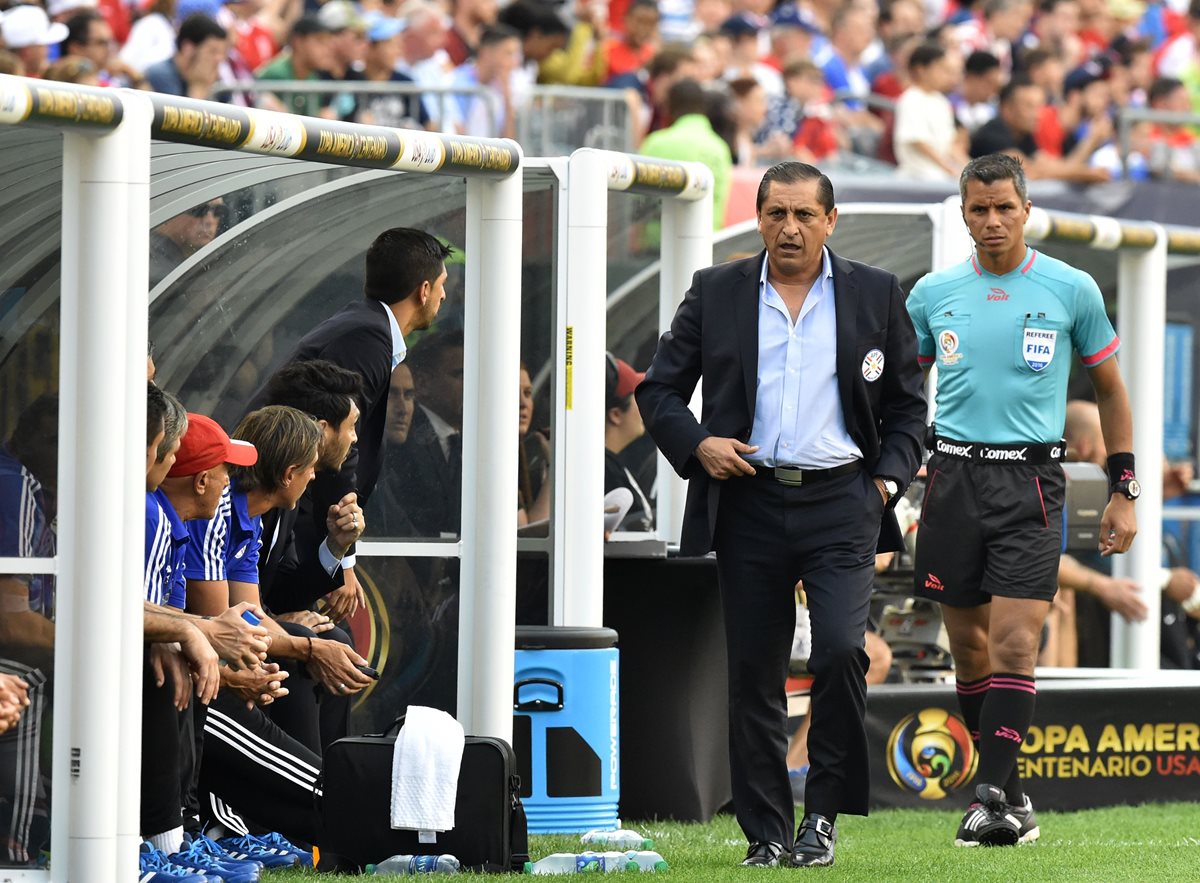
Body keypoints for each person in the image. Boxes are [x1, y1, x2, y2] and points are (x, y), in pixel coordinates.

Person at [637, 161, 926, 868]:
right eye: (776, 214)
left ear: (831, 220)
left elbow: (909, 409)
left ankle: (821, 816)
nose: (789, 228)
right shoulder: (716, 290)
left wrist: (884, 486)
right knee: (756, 671)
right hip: (750, 499)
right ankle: (766, 830)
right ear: (759, 218)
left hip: (843, 500)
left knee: (840, 648)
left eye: (804, 214)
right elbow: (659, 391)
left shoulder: (877, 292)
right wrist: (699, 443)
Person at [906, 153, 1137, 847]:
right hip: (951, 479)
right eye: (979, 209)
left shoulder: (1072, 288)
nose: (993, 220)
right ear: (963, 213)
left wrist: (1125, 489)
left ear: (1026, 209)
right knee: (970, 651)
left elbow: (1112, 392)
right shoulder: (931, 293)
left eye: (1005, 206)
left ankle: (986, 803)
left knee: (1014, 643)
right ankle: (1009, 793)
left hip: (1033, 484)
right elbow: (898, 393)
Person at [253, 228, 450, 615]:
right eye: (442, 284)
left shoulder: (366, 327)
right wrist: (344, 562)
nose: (445, 295)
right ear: (423, 290)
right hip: (286, 506)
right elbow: (341, 447)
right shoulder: (368, 338)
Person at [639, 77, 733, 229]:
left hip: (658, 242)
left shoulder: (655, 143)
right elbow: (721, 200)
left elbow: (639, 201)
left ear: (669, 106)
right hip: (709, 241)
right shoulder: (719, 147)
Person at [893, 42, 969, 180]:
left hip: (941, 172)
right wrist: (948, 168)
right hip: (918, 175)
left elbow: (950, 145)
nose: (946, 76)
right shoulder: (910, 99)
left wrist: (970, 168)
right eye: (941, 69)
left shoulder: (941, 101)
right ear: (921, 69)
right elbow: (919, 142)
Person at [604, 354, 652, 531]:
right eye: (636, 397)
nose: (643, 405)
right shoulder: (606, 471)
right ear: (616, 415)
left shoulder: (610, 465)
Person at [144, 13, 228, 98]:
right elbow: (176, 110)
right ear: (188, 48)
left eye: (222, 53)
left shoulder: (217, 82)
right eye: (212, 51)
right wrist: (199, 87)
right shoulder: (160, 75)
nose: (219, 59)